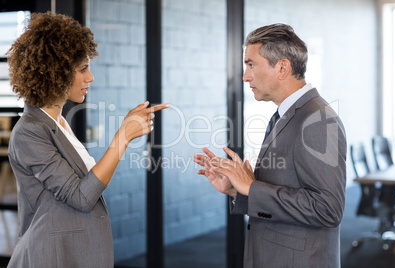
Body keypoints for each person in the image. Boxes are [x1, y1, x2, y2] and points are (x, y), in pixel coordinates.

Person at [6, 12, 169, 267]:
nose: (90, 77)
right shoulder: (30, 130)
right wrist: (123, 136)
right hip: (50, 257)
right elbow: (81, 197)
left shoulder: (58, 122)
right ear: (55, 72)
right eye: (83, 69)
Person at [194, 24, 346, 268]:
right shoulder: (285, 115)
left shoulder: (317, 119)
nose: (245, 76)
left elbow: (327, 209)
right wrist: (238, 191)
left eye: (251, 64)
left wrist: (252, 187)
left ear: (282, 67)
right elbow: (286, 191)